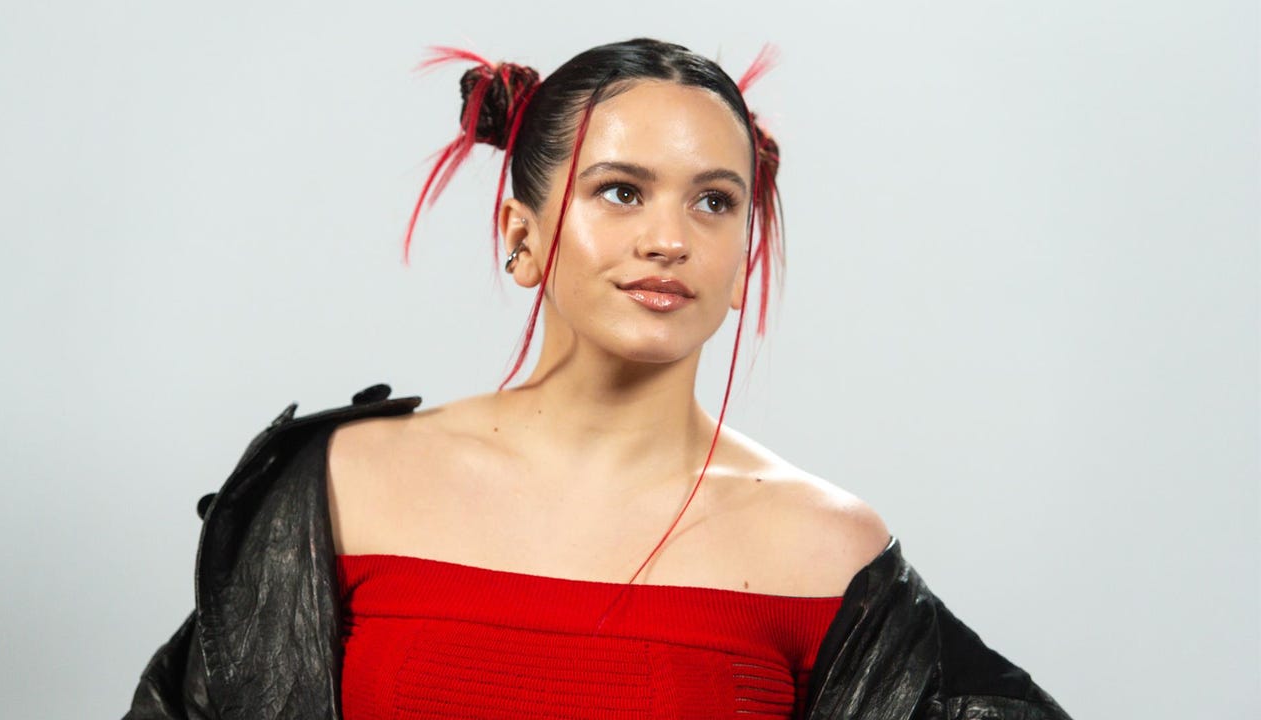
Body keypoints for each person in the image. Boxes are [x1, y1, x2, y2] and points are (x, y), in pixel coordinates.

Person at [125, 38, 1071, 720]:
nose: (669, 238)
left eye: (714, 201)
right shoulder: (343, 483)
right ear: (521, 236)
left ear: (744, 258)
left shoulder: (824, 545)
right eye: (620, 190)